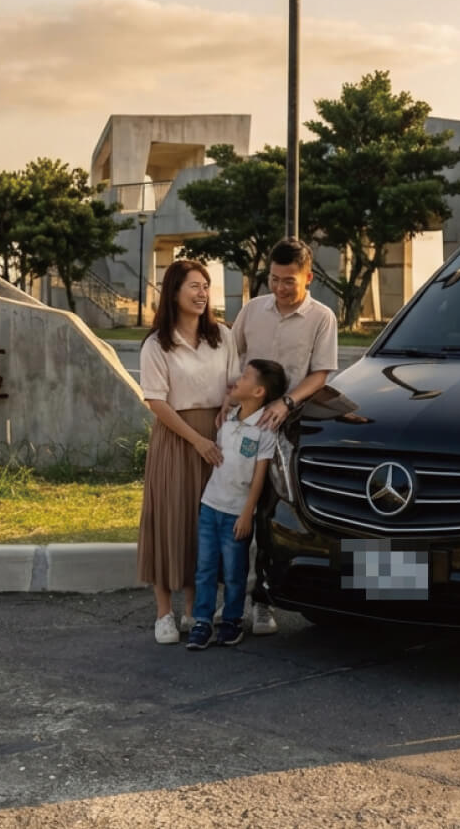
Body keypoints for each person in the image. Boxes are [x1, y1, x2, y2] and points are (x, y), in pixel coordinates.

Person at [221, 237, 339, 635]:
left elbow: (320, 373)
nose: (280, 287)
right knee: (236, 513)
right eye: (273, 278)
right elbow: (232, 356)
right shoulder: (253, 310)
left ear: (308, 276)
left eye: (289, 280)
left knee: (270, 515)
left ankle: (263, 602)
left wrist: (285, 403)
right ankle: (230, 600)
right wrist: (228, 398)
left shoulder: (322, 317)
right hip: (241, 427)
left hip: (285, 427)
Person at [137, 259, 238, 645]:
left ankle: (196, 608)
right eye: (193, 286)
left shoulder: (222, 336)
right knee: (169, 520)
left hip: (218, 437)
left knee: (205, 524)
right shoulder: (156, 344)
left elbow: (235, 382)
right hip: (176, 439)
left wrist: (228, 407)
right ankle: (164, 612)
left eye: (205, 286)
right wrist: (195, 440)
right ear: (174, 292)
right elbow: (156, 402)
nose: (201, 294)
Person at [186, 358, 289, 650]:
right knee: (205, 567)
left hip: (236, 513)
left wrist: (247, 514)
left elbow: (259, 477)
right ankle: (202, 622)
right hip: (210, 506)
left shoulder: (265, 431)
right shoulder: (228, 418)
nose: (237, 381)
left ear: (258, 392)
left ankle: (232, 620)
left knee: (234, 571)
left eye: (244, 377)